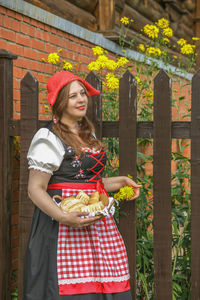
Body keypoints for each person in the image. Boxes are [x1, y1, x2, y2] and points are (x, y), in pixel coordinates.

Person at [24, 70, 141, 300]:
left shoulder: (86, 132)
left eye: (83, 93)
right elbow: (35, 188)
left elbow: (87, 185)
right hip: (60, 227)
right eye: (72, 96)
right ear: (59, 102)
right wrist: (63, 217)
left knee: (104, 289)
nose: (81, 99)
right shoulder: (48, 137)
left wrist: (120, 182)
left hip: (96, 227)